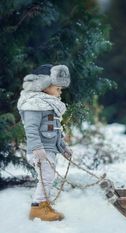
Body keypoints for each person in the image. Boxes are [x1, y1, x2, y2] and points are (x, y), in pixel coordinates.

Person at [17, 64, 73, 221]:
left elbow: (55, 132)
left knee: (48, 178)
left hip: (49, 149)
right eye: (58, 88)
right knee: (46, 178)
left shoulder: (49, 105)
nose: (60, 92)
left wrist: (63, 148)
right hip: (40, 150)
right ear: (45, 85)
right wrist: (36, 147)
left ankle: (43, 205)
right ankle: (38, 207)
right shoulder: (33, 104)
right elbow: (31, 129)